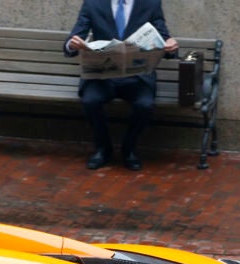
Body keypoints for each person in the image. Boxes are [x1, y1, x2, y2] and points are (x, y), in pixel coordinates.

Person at [64, 0, 179, 171]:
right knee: (90, 101)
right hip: (103, 77)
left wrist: (171, 46)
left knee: (144, 105)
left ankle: (129, 149)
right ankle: (103, 149)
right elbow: (73, 40)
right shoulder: (93, 4)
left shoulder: (150, 4)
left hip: (137, 77)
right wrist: (72, 45)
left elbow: (163, 37)